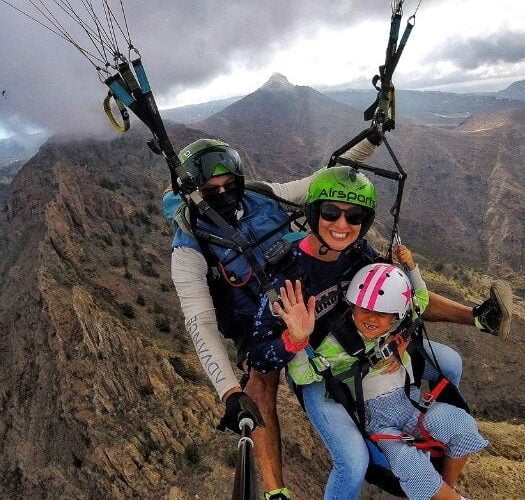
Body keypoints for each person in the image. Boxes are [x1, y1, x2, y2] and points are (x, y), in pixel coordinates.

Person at [165, 142, 510, 499]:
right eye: (210, 189)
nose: (221, 193)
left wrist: (373, 140)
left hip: (326, 309)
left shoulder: (262, 197)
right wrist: (230, 391)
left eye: (227, 184)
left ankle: (433, 407)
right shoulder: (189, 247)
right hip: (271, 314)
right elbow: (200, 323)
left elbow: (326, 178)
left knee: (392, 294)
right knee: (260, 387)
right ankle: (276, 490)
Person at [249, 166, 502, 498]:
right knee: (352, 463)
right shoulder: (287, 277)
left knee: (450, 362)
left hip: (373, 347)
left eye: (354, 217)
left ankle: (426, 437)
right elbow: (258, 358)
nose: (342, 225)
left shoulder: (358, 253)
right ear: (313, 212)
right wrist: (293, 339)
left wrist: (404, 329)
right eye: (330, 212)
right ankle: (383, 446)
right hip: (320, 371)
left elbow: (402, 296)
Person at [269, 252, 487, 499]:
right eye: (364, 310)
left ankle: (446, 489)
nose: (371, 318)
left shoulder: (398, 329)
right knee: (409, 463)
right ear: (352, 307)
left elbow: (421, 300)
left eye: (381, 313)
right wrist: (297, 342)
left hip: (413, 407)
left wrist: (411, 266)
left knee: (463, 426)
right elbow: (305, 375)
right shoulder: (336, 345)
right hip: (380, 422)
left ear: (395, 316)